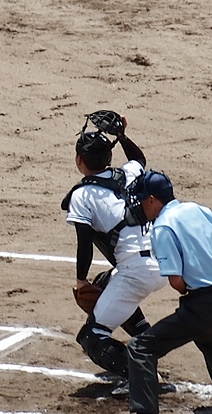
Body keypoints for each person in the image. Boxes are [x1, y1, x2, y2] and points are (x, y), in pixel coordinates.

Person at [112, 170, 212, 414]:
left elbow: (176, 281)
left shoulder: (162, 227)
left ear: (152, 199)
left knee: (140, 347)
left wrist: (195, 294)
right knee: (208, 335)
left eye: (141, 200)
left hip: (204, 306)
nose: (139, 206)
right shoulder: (200, 210)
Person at [61, 115, 167, 391]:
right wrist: (122, 137)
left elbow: (84, 242)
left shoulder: (82, 195)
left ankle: (143, 375)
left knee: (92, 337)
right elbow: (138, 159)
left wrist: (80, 280)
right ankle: (146, 338)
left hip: (136, 273)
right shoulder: (128, 174)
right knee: (105, 283)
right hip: (163, 263)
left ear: (79, 161)